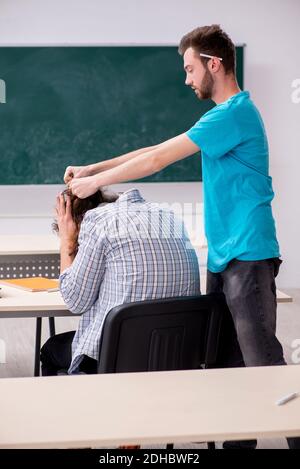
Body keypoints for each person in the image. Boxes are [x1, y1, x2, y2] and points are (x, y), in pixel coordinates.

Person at [63, 25, 300, 450]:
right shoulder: (218, 118)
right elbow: (156, 148)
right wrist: (92, 171)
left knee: (266, 366)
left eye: (191, 69)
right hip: (226, 260)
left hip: (248, 256)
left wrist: (88, 186)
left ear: (215, 64)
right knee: (229, 369)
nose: (187, 79)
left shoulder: (235, 114)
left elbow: (157, 159)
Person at [40, 187, 200, 375]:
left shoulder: (97, 221)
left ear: (76, 221)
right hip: (180, 351)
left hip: (121, 355)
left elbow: (75, 301)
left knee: (51, 350)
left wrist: (67, 242)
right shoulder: (170, 216)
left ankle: (75, 403)